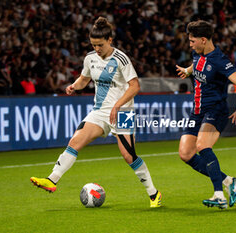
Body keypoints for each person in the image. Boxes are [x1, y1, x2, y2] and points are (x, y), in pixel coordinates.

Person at [30, 17, 162, 208]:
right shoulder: (90, 58)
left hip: (123, 112)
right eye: (93, 45)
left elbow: (135, 87)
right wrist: (74, 86)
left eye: (100, 44)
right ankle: (52, 180)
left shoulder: (121, 59)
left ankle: (153, 194)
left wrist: (118, 105)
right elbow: (84, 79)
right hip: (99, 111)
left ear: (110, 40)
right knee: (75, 141)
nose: (97, 49)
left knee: (128, 155)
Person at [176, 20, 236, 209]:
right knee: (185, 153)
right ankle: (228, 182)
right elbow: (197, 64)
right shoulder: (197, 53)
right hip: (197, 110)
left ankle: (219, 196)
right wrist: (187, 71)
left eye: (192, 41)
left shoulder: (219, 60)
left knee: (202, 145)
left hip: (215, 110)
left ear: (203, 39)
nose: (190, 45)